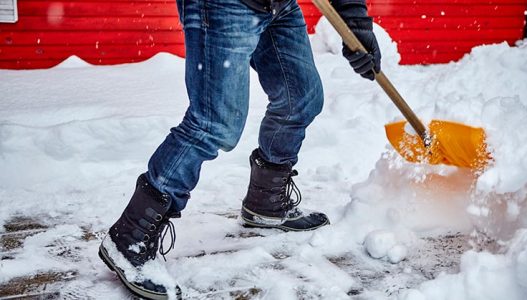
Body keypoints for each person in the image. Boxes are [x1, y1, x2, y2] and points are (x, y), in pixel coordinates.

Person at [98, 0, 381, 298]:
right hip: (224, 5)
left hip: (279, 5)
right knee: (213, 123)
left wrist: (355, 22)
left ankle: (266, 201)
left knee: (300, 99)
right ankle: (130, 235)